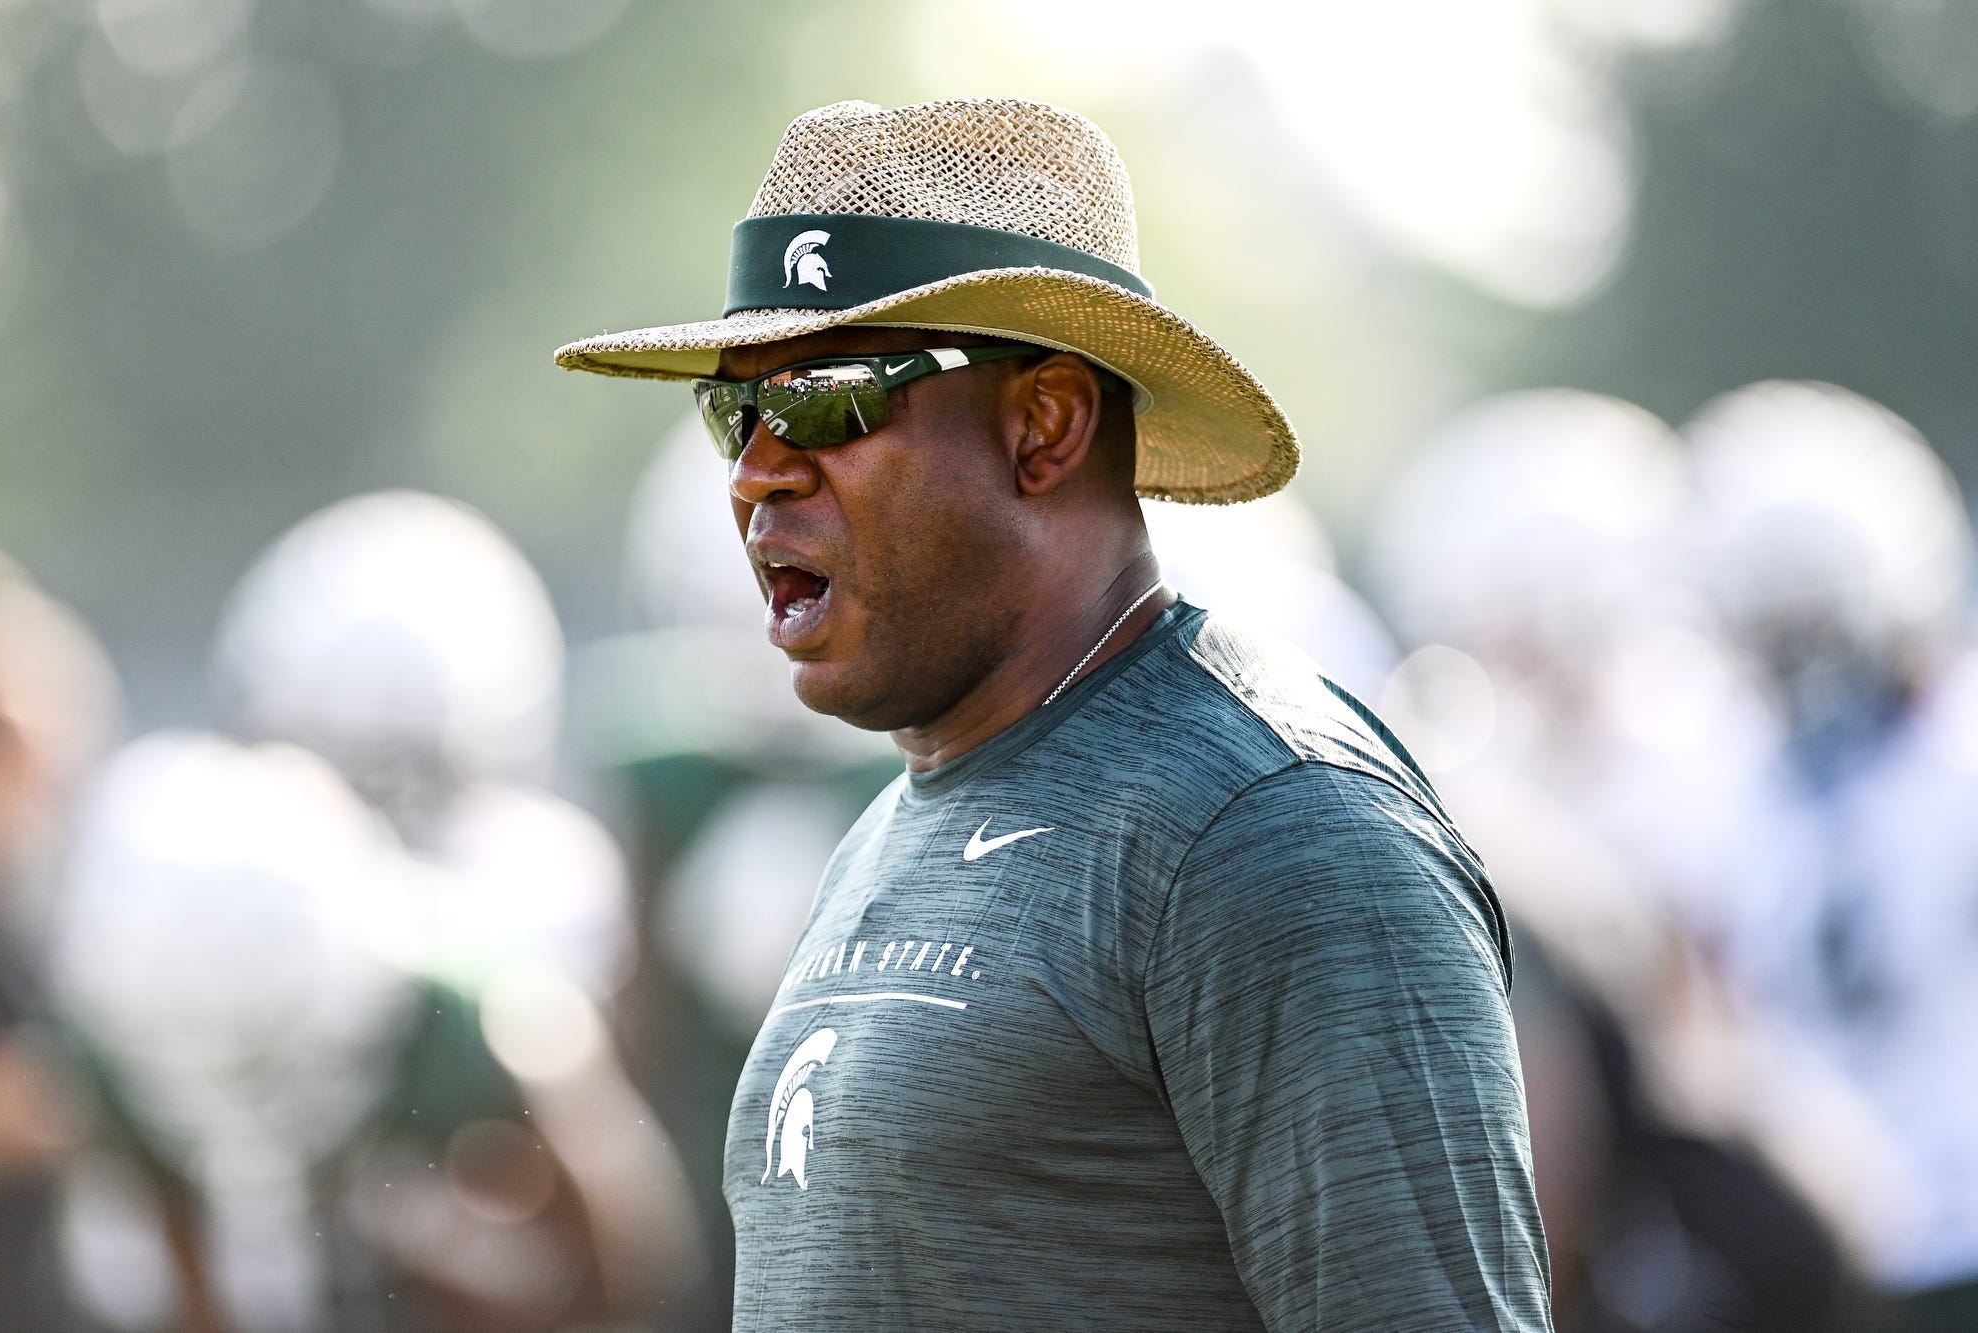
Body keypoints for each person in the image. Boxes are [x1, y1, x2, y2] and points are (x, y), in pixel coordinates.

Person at [554, 97, 1550, 1330]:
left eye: (822, 400)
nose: (757, 466)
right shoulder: (897, 814)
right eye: (734, 411)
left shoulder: (1274, 832)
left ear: (1044, 425)